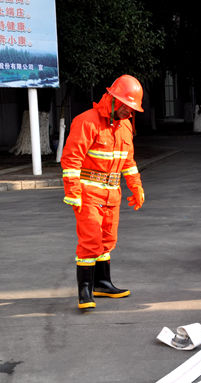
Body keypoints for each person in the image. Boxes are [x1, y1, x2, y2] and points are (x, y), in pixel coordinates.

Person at [61, 74, 146, 310]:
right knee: (90, 241)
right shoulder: (86, 122)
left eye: (132, 110)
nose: (130, 114)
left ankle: (102, 283)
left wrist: (136, 187)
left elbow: (128, 162)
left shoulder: (125, 125)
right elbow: (71, 160)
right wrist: (73, 192)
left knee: (108, 240)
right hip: (88, 193)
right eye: (127, 108)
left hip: (112, 193)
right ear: (114, 101)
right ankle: (85, 290)